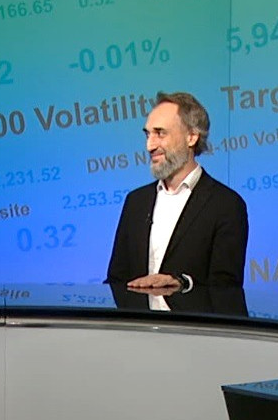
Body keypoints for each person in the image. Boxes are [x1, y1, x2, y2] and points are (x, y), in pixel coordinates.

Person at [106, 91, 248, 293]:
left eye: (160, 133)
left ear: (191, 137)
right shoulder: (136, 201)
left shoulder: (226, 205)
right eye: (147, 134)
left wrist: (183, 283)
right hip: (138, 315)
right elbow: (116, 280)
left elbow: (226, 288)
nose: (150, 146)